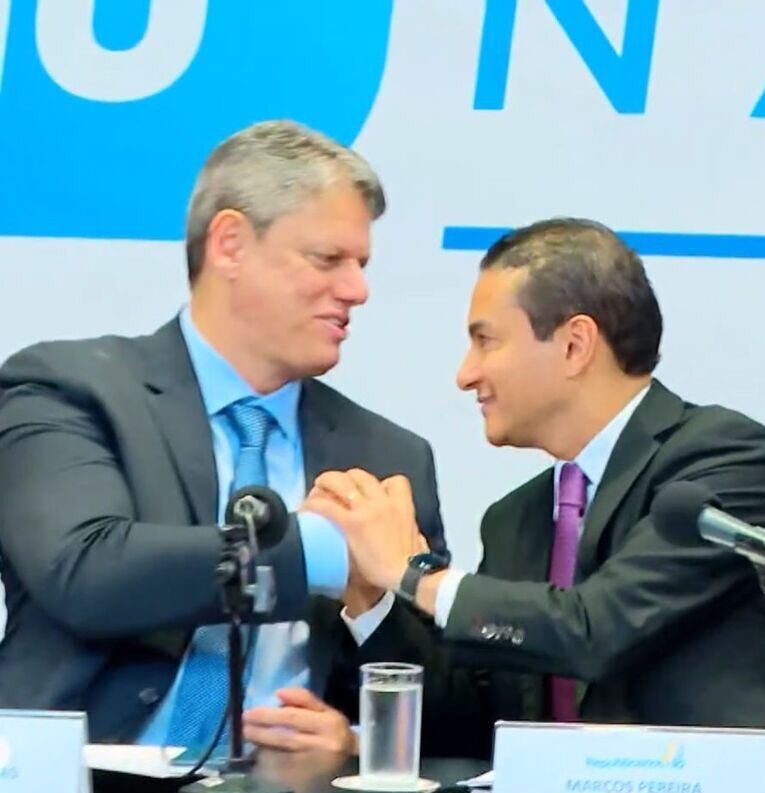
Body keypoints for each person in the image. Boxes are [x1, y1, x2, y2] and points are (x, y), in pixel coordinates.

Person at [305, 218, 765, 774]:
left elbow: (598, 628)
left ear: (574, 345)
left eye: (485, 340)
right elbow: (475, 725)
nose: (465, 375)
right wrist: (371, 594)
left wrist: (413, 572)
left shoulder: (725, 460)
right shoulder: (514, 519)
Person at [0, 120, 444, 755]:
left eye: (363, 265)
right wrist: (322, 549)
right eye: (328, 260)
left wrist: (356, 737)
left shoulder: (389, 460)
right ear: (231, 243)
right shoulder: (67, 389)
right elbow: (85, 571)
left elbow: (442, 692)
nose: (357, 290)